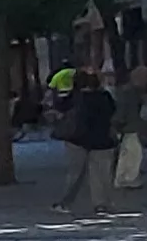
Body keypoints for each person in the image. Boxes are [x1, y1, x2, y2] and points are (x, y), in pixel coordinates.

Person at [52, 71, 122, 213]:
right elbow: (113, 113)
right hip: (102, 139)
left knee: (75, 174)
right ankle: (102, 203)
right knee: (102, 174)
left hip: (77, 139)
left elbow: (59, 107)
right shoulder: (105, 97)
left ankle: (65, 203)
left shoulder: (76, 98)